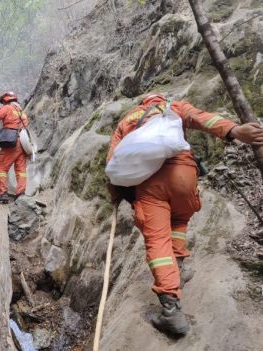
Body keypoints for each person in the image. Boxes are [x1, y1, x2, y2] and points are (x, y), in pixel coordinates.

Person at [106, 93, 263, 335]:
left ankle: (171, 311)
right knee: (179, 218)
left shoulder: (128, 121)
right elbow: (201, 118)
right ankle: (178, 268)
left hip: (151, 186)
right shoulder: (172, 107)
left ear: (143, 103)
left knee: (158, 241)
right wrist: (234, 131)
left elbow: (113, 163)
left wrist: (115, 196)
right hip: (185, 176)